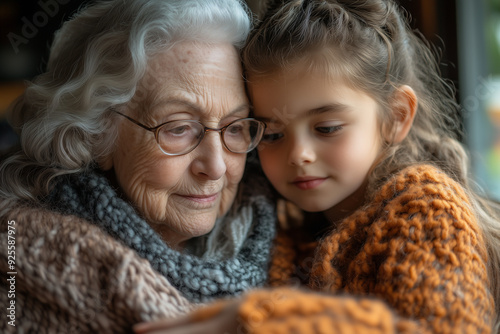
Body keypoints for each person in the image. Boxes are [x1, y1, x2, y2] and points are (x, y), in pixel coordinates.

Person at [134, 0, 500, 333]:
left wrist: (255, 320)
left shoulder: (426, 209)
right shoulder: (282, 222)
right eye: (272, 135)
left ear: (396, 116)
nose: (299, 155)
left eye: (326, 128)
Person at [0, 0, 278, 332]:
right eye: (178, 129)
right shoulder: (18, 269)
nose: (216, 166)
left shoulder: (292, 234)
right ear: (96, 135)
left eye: (234, 128)